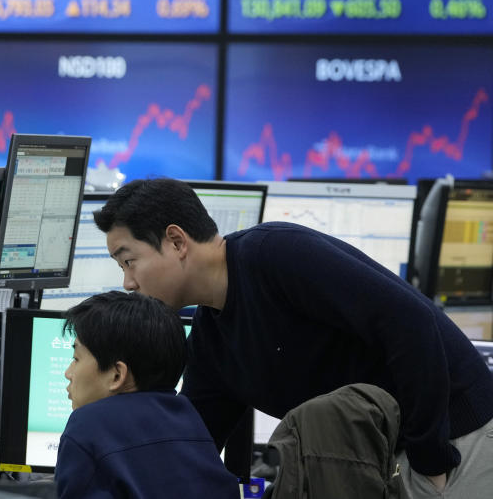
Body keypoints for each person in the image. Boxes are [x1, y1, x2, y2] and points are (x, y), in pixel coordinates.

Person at [94, 178, 493, 499]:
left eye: (130, 262)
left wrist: (431, 460)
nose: (128, 282)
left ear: (177, 241)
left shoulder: (275, 255)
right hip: (388, 458)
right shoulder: (212, 336)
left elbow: (412, 323)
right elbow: (192, 443)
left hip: (455, 436)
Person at [55, 290, 238, 499]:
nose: (68, 373)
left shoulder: (88, 424)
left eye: (76, 358)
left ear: (117, 375)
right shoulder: (189, 417)